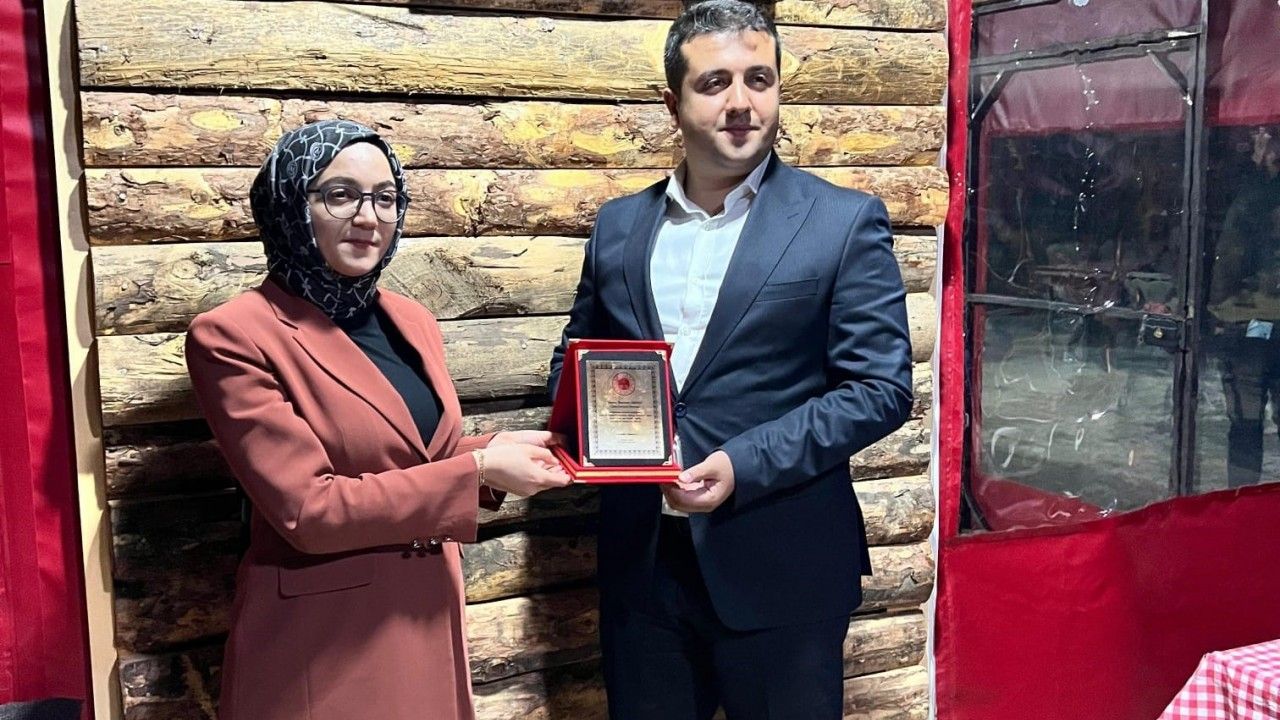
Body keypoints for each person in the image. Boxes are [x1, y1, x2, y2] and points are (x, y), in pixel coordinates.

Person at [547, 2, 914, 717]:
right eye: (715, 82)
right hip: (643, 569)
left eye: (759, 79)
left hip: (783, 568)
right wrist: (591, 433)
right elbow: (578, 357)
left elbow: (879, 388)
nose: (741, 102)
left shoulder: (842, 221)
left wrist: (742, 464)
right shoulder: (619, 226)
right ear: (673, 103)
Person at [184, 119, 570, 720]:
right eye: (340, 195)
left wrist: (496, 449)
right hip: (324, 646)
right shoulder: (233, 335)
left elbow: (410, 456)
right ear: (292, 203)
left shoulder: (411, 319)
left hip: (424, 618)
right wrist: (477, 470)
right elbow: (309, 510)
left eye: (385, 198)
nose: (369, 217)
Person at [1208, 125, 1280, 488]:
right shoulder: (1248, 192)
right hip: (1250, 322)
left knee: (1245, 425)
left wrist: (1219, 309)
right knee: (1245, 424)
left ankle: (1243, 503)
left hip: (1249, 323)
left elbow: (1229, 259)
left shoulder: (1248, 196)